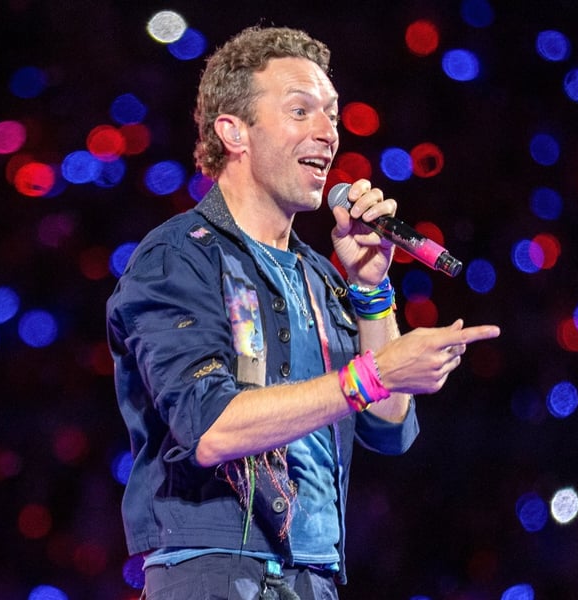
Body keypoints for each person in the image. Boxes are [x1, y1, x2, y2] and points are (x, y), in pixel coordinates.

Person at [106, 25, 500, 599]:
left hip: (313, 578)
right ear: (233, 131)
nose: (327, 133)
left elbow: (388, 426)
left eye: (332, 115)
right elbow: (212, 428)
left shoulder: (318, 275)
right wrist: (375, 374)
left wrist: (371, 290)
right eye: (301, 111)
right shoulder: (179, 256)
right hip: (216, 574)